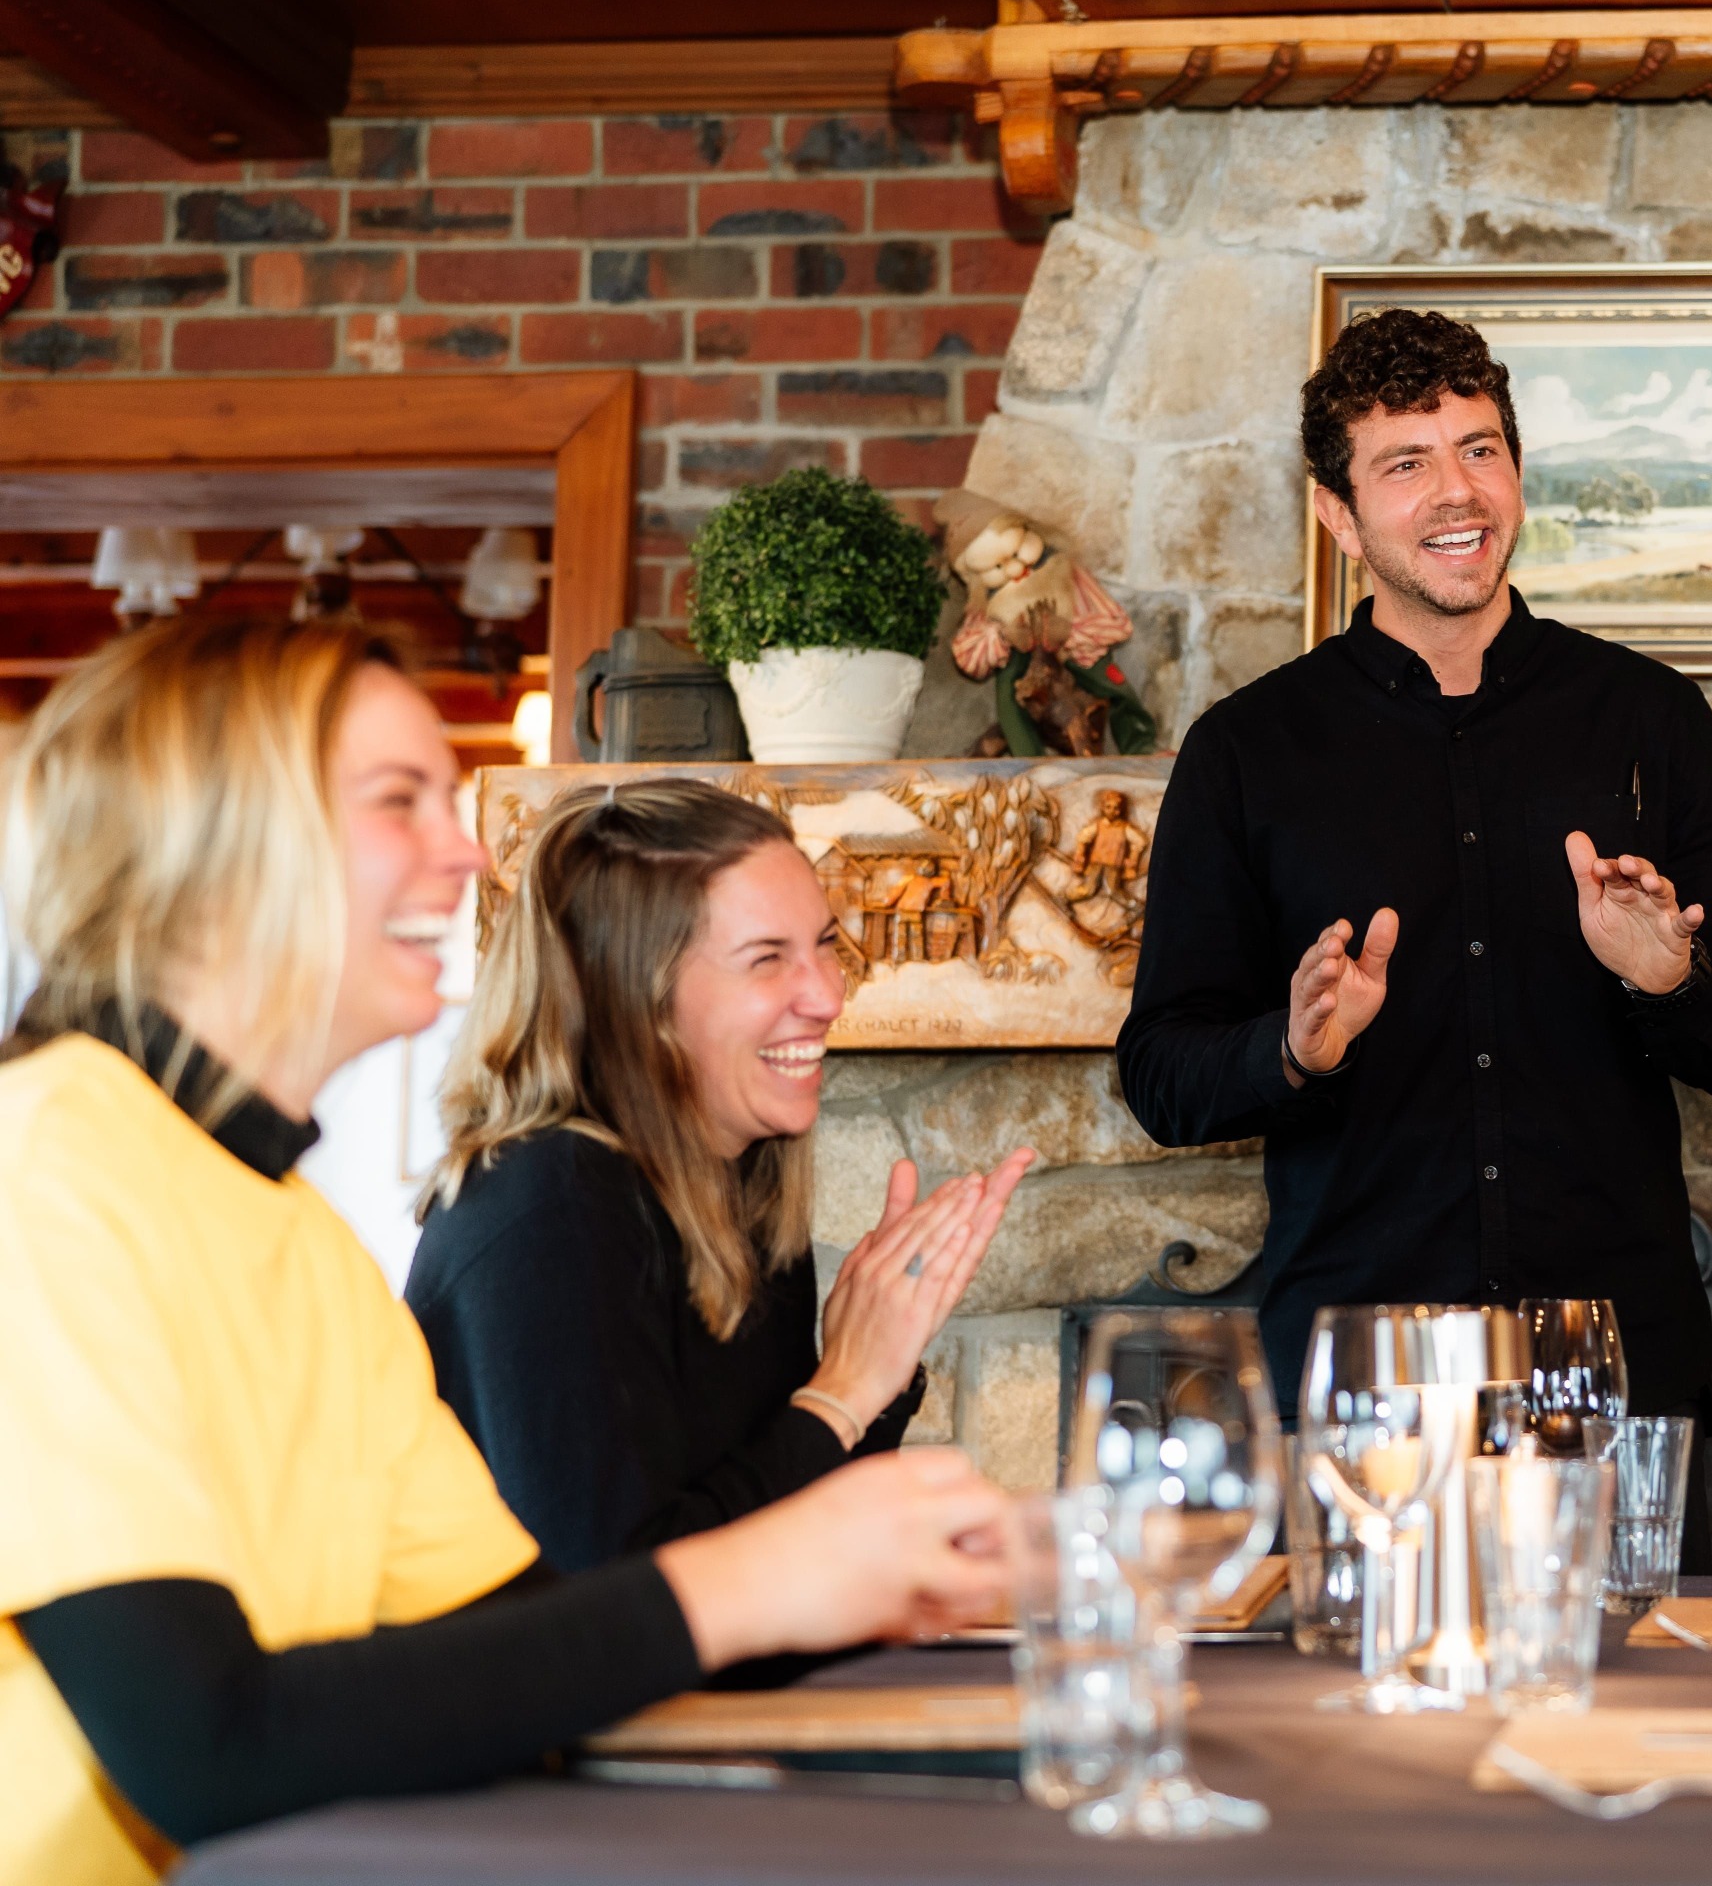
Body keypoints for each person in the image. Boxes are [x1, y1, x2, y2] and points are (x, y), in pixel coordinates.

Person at [0, 621, 1013, 1886]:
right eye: (397, 800)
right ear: (212, 849)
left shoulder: (298, 1240)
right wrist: (760, 1569)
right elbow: (204, 1740)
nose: (466, 850)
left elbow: (523, 1636)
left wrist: (854, 1562)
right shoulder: (44, 1162)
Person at [1115, 307, 1712, 1458]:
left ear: (1518, 473)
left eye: (1480, 450)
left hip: (1615, 1362)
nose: (1456, 492)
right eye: (1406, 463)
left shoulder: (1650, 717)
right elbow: (1162, 1074)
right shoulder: (1248, 749)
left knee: (1634, 1651)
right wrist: (1294, 1048)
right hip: (1363, 1367)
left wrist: (1667, 982)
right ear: (1339, 513)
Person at [407, 782, 1035, 1576]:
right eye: (767, 959)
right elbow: (626, 1600)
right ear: (638, 998)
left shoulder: (741, 1188)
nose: (829, 995)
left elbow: (791, 1544)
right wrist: (840, 1391)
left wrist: (874, 1366)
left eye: (826, 945)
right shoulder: (552, 1201)